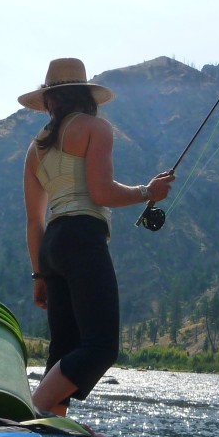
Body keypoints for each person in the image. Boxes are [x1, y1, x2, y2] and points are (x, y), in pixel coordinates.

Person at [19, 58, 174, 416]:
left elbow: (33, 221)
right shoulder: (95, 128)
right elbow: (102, 193)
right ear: (86, 95)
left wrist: (40, 275)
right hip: (83, 238)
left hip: (52, 245)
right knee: (101, 346)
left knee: (63, 350)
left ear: (50, 100)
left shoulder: (34, 149)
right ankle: (34, 410)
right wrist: (146, 192)